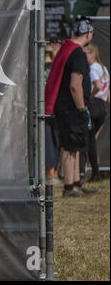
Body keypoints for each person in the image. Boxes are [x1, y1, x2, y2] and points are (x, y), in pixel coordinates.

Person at [45, 16, 97, 197]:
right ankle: (69, 187)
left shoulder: (69, 49)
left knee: (75, 146)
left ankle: (76, 184)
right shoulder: (77, 54)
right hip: (71, 108)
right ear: (89, 34)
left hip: (68, 107)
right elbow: (75, 85)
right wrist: (82, 108)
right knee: (69, 146)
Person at [80, 43, 110, 182]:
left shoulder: (92, 68)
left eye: (85, 54)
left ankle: (91, 173)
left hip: (94, 105)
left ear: (92, 54)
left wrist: (90, 97)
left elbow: (97, 86)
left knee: (89, 141)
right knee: (91, 140)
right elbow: (107, 90)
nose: (83, 57)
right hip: (102, 107)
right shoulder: (104, 68)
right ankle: (92, 172)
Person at [44, 44, 61, 185]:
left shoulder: (38, 69)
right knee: (55, 142)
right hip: (56, 109)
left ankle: (51, 173)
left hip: (44, 109)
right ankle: (53, 172)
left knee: (48, 142)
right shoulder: (56, 68)